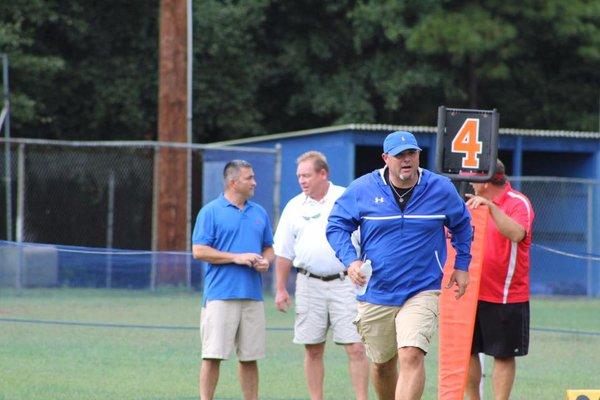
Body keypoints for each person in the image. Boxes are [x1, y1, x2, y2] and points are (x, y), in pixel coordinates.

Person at [326, 131, 473, 400]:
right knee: (382, 365)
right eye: (400, 155)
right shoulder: (362, 189)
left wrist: (462, 264)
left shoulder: (441, 188)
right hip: (378, 289)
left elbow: (462, 224)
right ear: (386, 158)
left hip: (422, 287)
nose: (407, 160)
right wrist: (351, 260)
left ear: (418, 155)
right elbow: (336, 226)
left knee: (412, 353)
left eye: (412, 154)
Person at [273, 151, 369, 400]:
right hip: (308, 283)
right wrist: (281, 288)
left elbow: (366, 237)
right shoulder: (294, 207)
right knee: (312, 348)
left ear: (323, 173)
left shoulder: (345, 197)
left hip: (345, 283)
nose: (302, 181)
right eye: (299, 176)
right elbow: (283, 252)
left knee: (356, 347)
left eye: (306, 175)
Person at [192, 159, 275, 400]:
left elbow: (269, 248)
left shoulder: (259, 212)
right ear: (233, 182)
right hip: (220, 296)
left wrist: (266, 261)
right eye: (249, 178)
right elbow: (199, 251)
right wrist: (236, 258)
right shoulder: (210, 212)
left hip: (252, 296)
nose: (254, 182)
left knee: (250, 358)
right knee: (212, 355)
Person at [465, 160, 535, 400]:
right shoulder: (470, 204)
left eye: (473, 177)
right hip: (471, 293)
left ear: (485, 182)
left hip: (506, 294)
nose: (469, 183)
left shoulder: (518, 202)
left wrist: (492, 208)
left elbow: (516, 233)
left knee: (503, 354)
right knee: (468, 352)